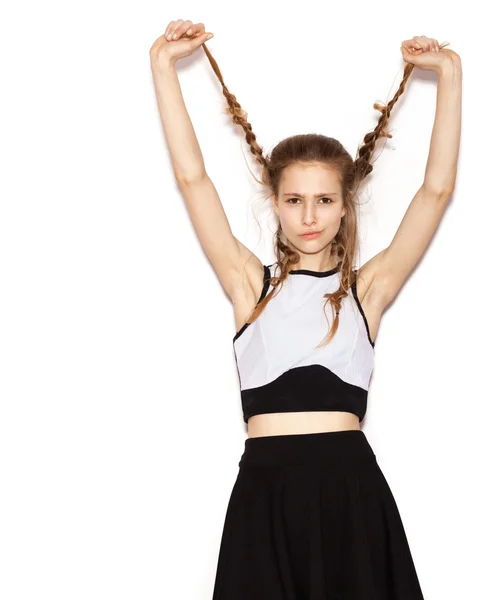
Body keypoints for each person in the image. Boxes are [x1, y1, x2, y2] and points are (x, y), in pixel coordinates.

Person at [150, 19, 462, 600]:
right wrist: (164, 66)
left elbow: (436, 191)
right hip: (265, 498)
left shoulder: (369, 291)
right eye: (294, 200)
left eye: (324, 200)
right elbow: (193, 180)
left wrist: (450, 74)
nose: (309, 216)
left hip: (350, 495)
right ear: (275, 202)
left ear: (346, 206)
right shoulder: (250, 285)